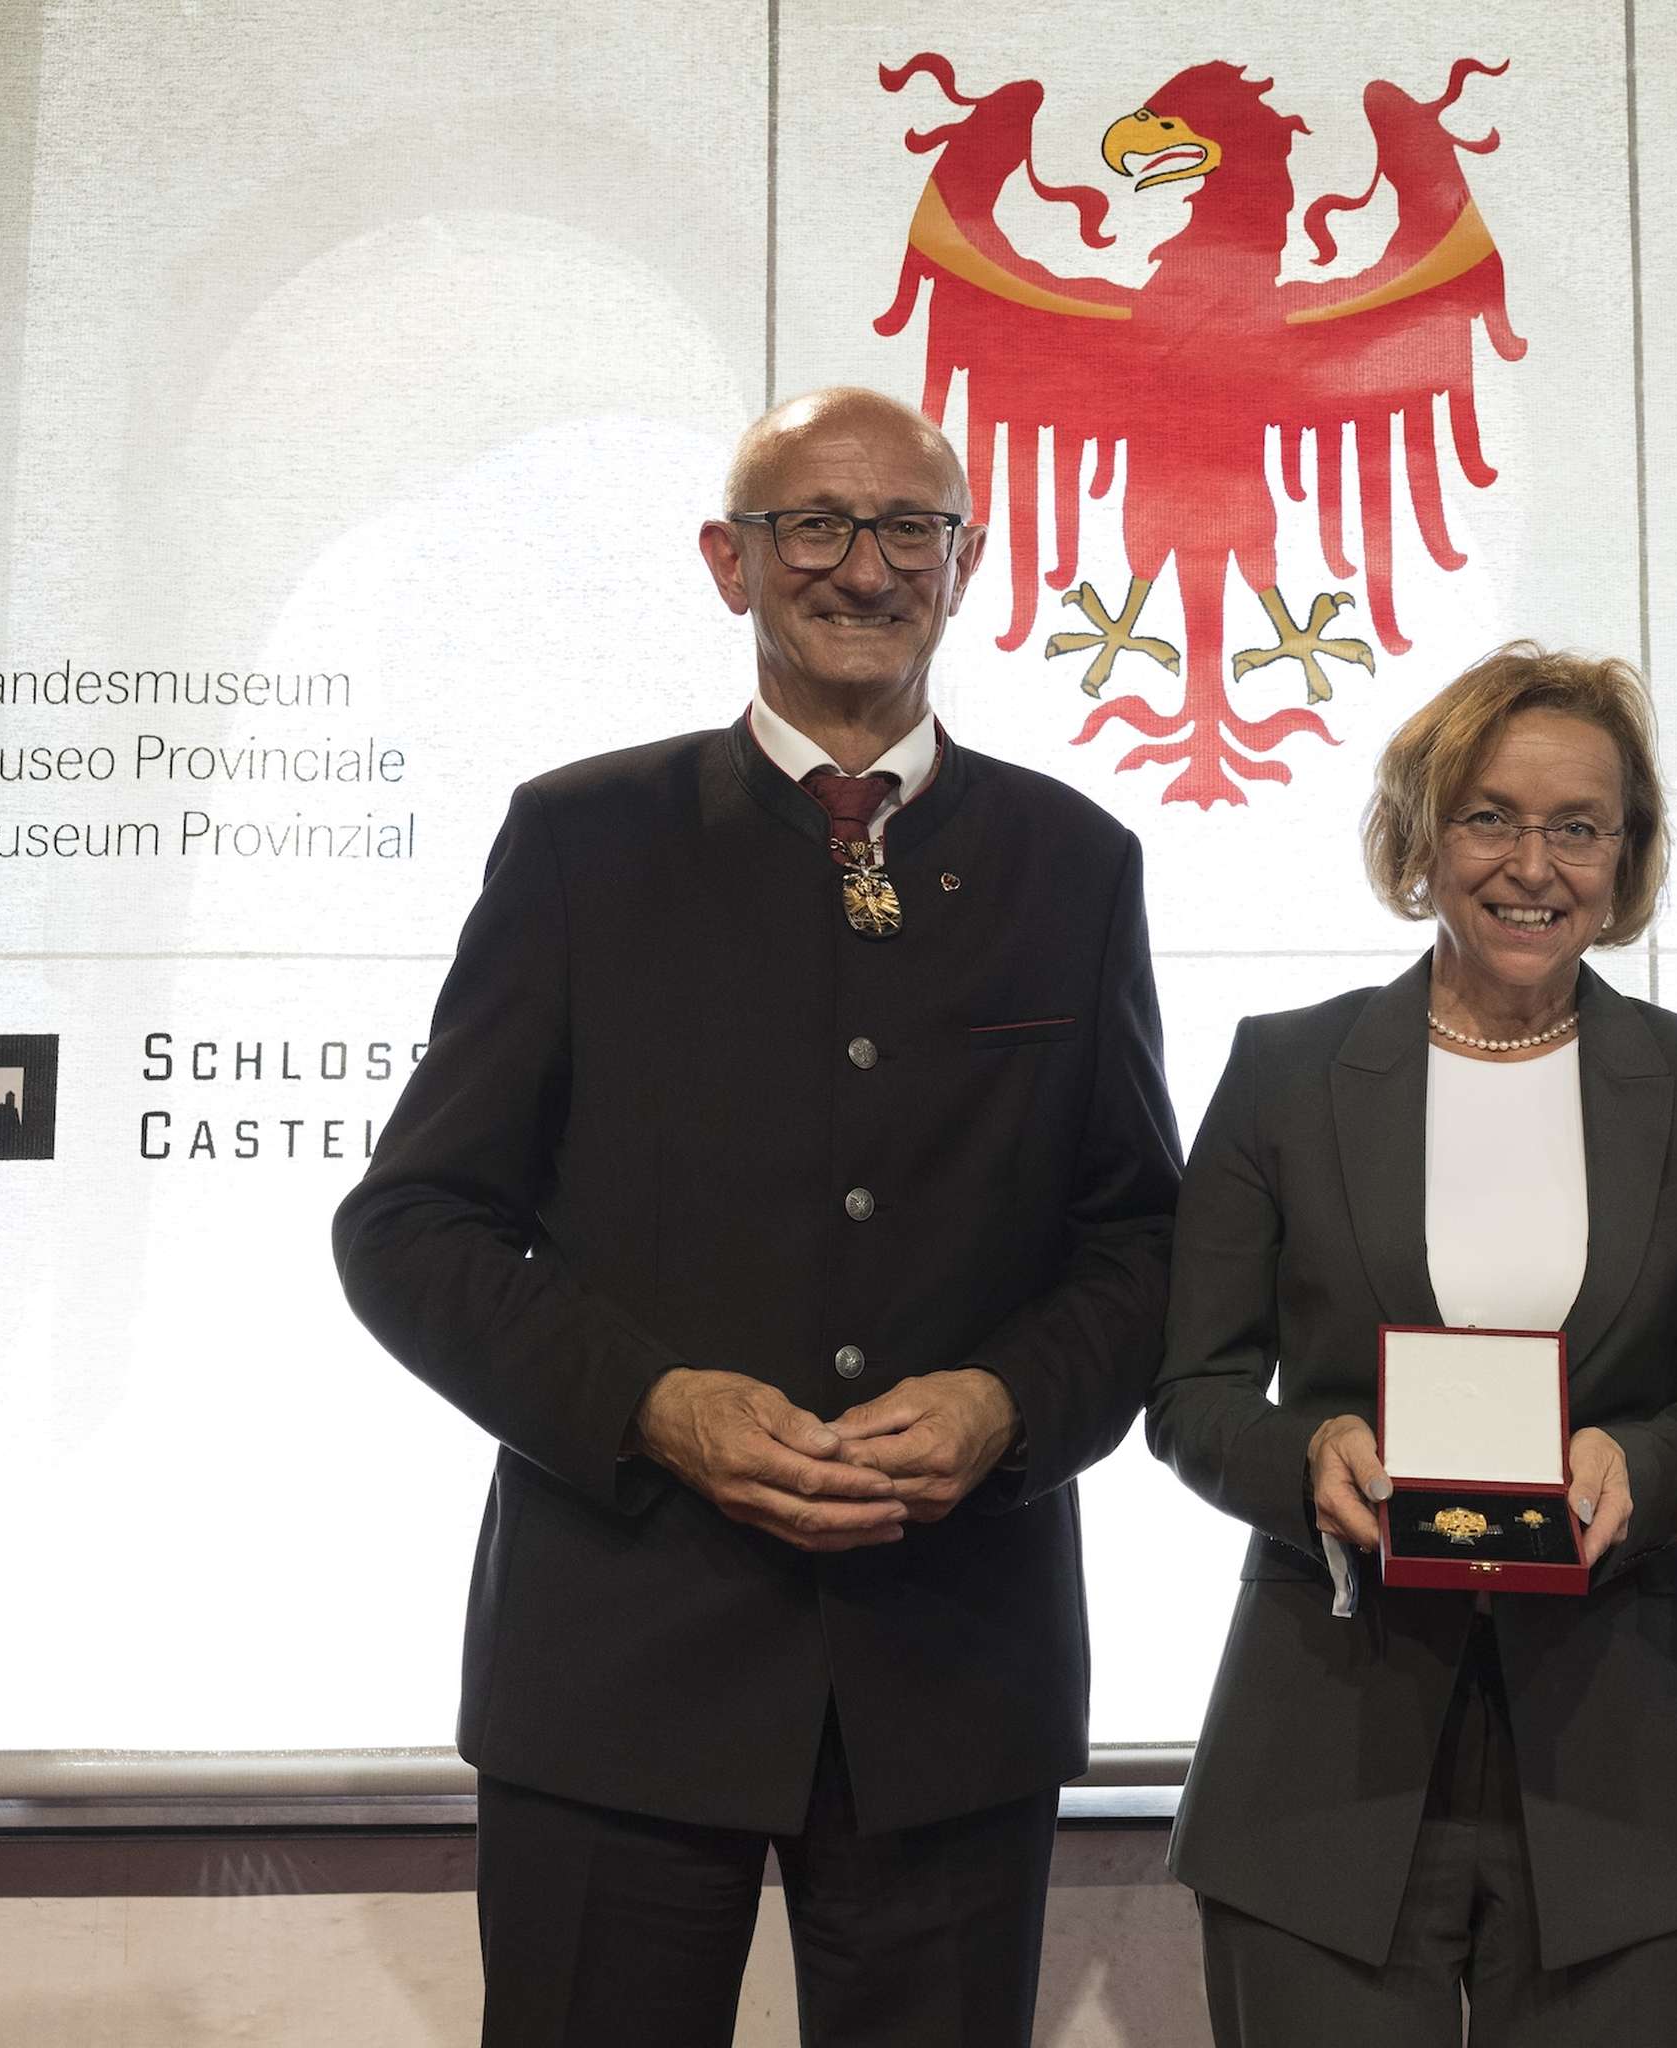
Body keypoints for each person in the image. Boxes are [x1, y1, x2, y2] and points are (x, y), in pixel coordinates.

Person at [333, 386, 1180, 2048]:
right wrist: (654, 1406)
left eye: (909, 529)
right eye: (815, 524)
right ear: (732, 563)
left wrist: (1010, 1407)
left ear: (969, 563)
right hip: (617, 1666)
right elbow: (413, 1222)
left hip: (955, 1678)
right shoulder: (582, 842)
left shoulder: (1075, 863)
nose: (864, 569)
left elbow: (1144, 1243)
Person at [1147, 645, 1677, 2045]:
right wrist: (1305, 1450)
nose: (1531, 864)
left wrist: (1646, 1463)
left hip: (1618, 1760)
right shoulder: (1285, 1073)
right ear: (1420, 837)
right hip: (1325, 1749)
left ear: (1628, 856)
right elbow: (1187, 1394)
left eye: (1579, 826)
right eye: (1489, 815)